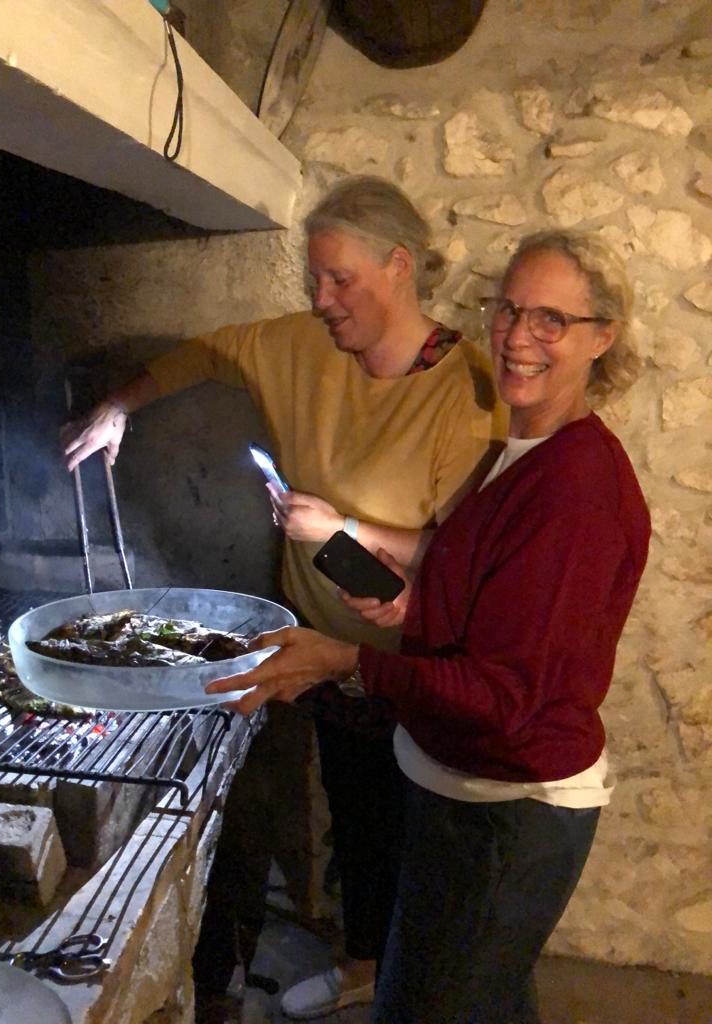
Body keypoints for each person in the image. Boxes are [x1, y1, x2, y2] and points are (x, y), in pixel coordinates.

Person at [62, 175, 505, 1021]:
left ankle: (401, 972)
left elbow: (461, 551)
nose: (323, 300)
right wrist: (118, 406)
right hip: (318, 642)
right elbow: (204, 354)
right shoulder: (302, 345)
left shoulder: (465, 391)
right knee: (354, 805)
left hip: (407, 648)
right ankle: (370, 953)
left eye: (340, 280)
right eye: (314, 282)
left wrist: (350, 528)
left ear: (401, 267)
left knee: (404, 819)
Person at [206, 229, 651, 1024]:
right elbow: (490, 600)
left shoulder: (578, 491)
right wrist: (416, 609)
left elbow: (504, 693)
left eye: (551, 320)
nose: (517, 337)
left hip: (506, 811)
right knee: (486, 1002)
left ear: (602, 337)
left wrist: (347, 658)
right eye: (508, 309)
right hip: (463, 789)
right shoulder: (519, 450)